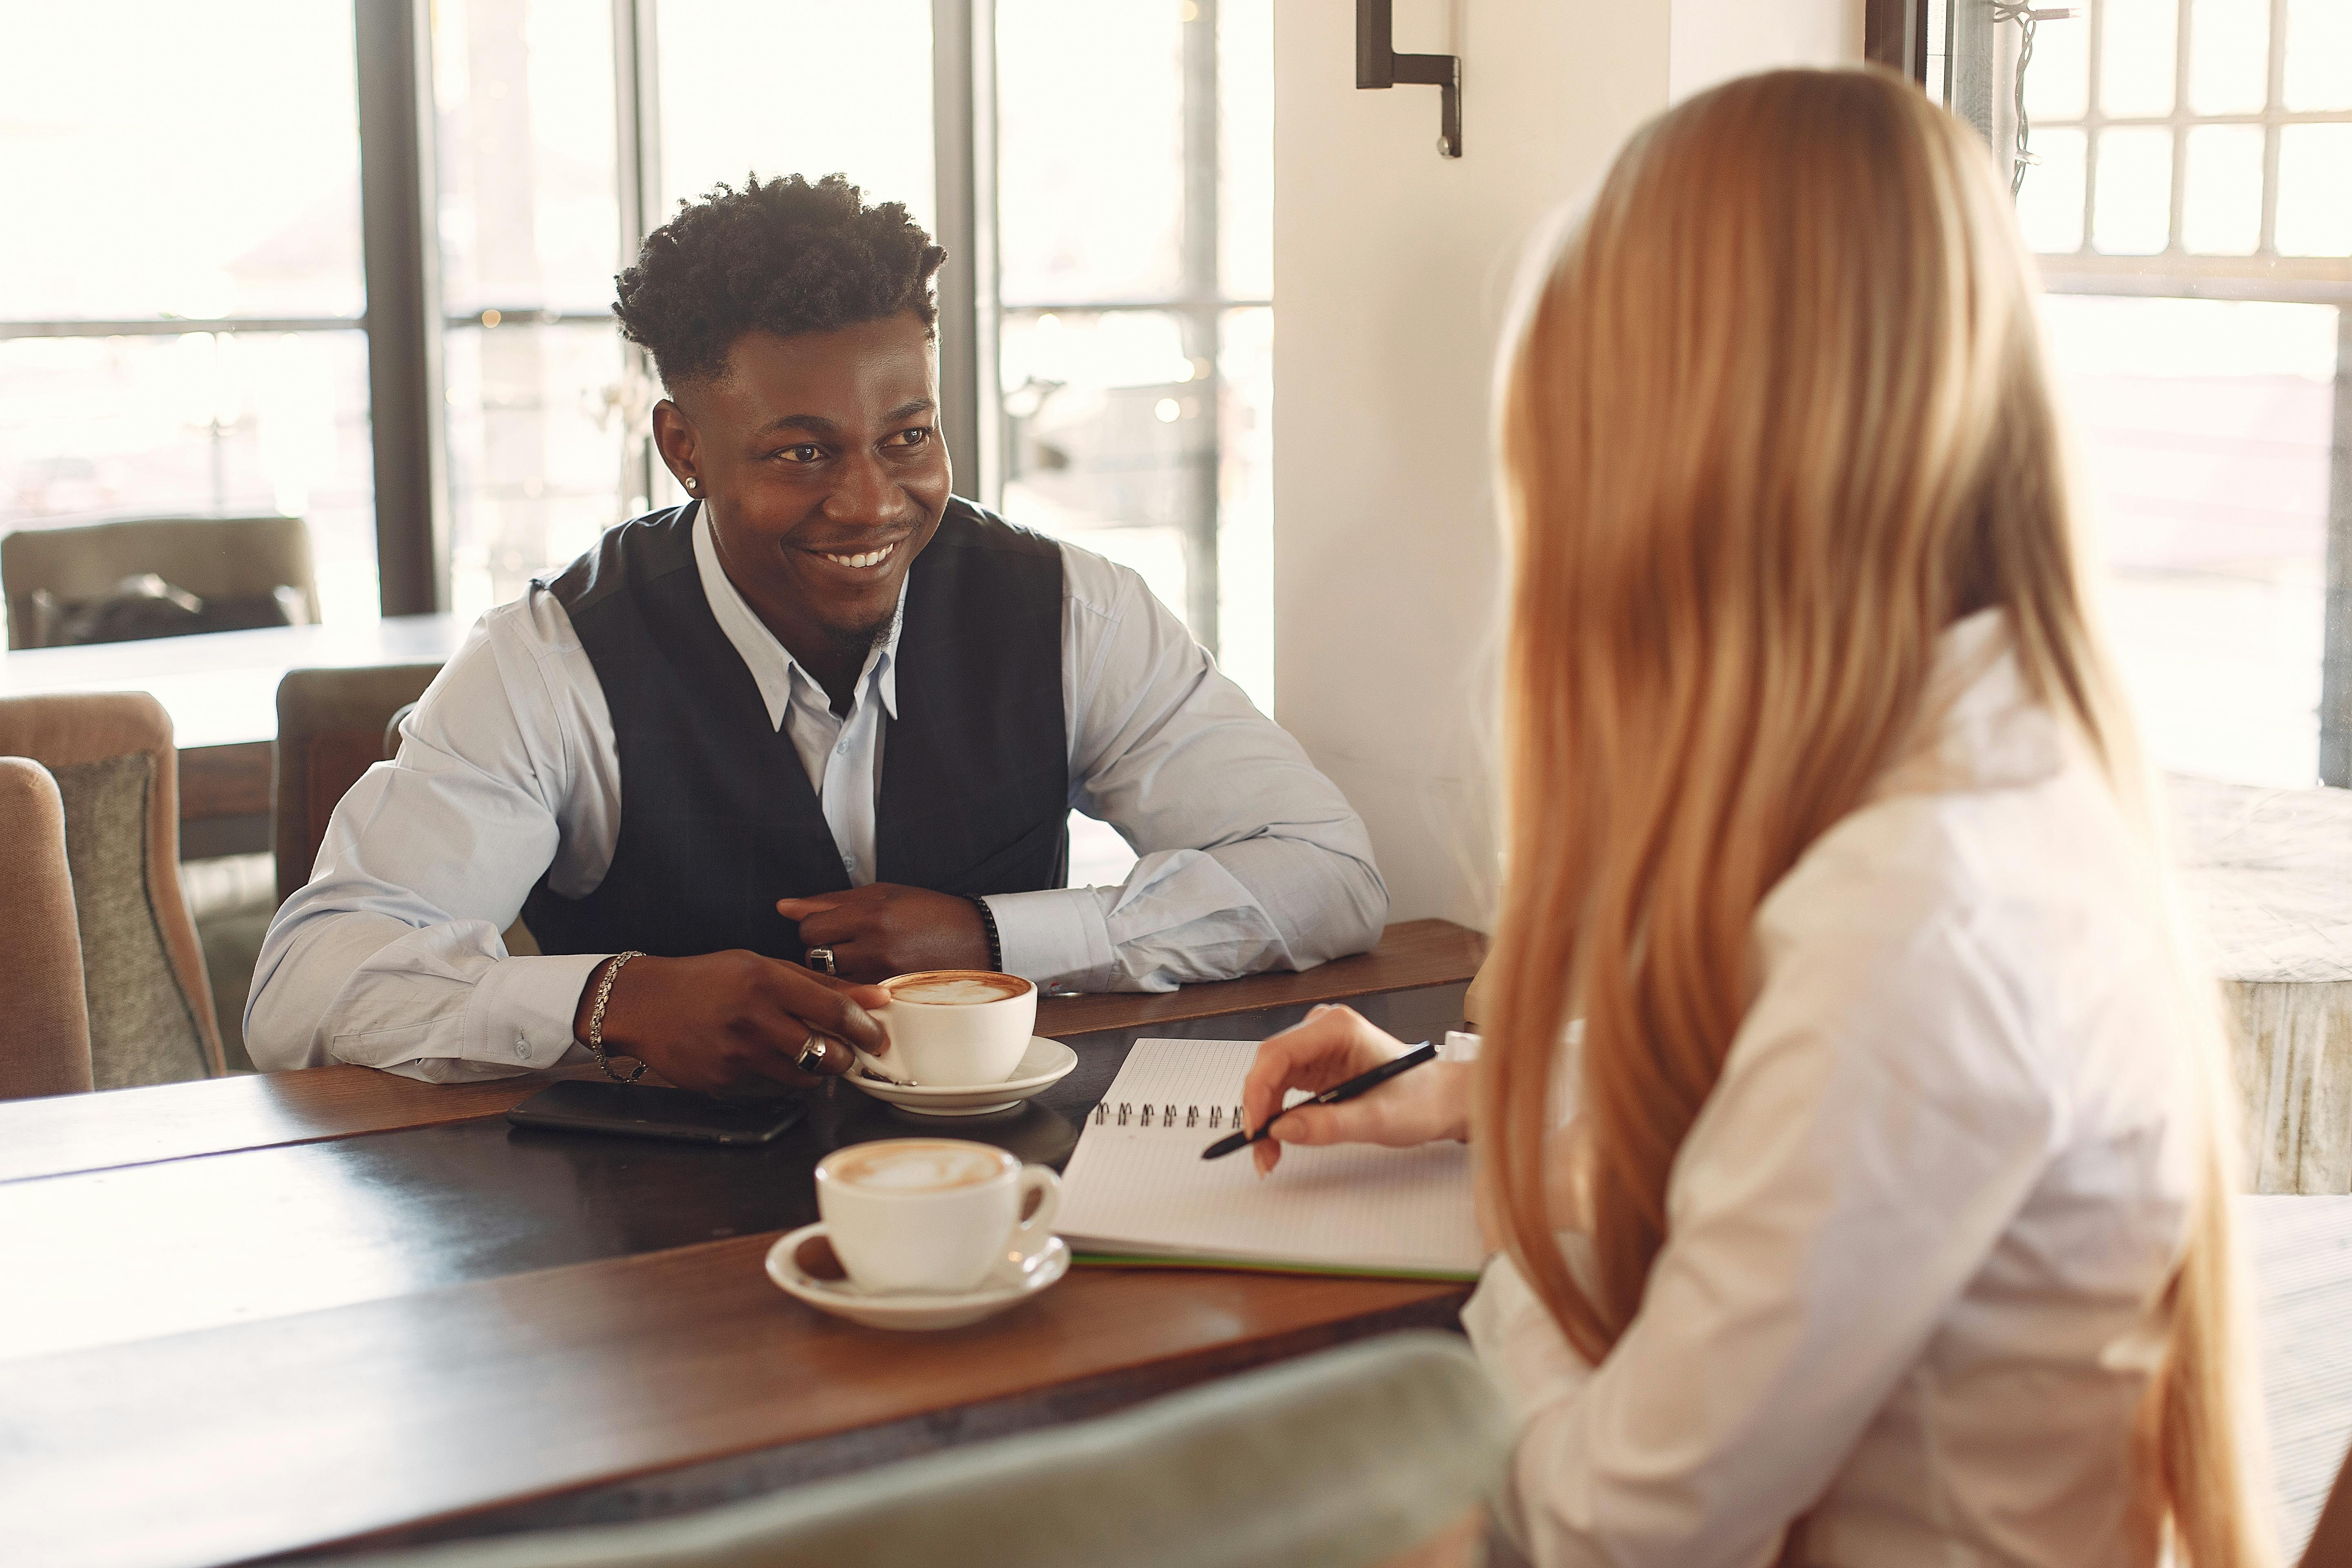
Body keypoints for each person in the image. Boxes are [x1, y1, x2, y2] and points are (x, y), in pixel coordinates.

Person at [1242, 69, 2271, 1568]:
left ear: (1693, 479)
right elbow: (1806, 1116)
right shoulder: (1999, 790)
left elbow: (1603, 1529)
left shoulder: (1921, 918)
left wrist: (1535, 1210)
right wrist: (1493, 1091)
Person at [247, 174, 1386, 1089]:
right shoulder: (548, 664)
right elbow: (307, 984)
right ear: (684, 448)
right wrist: (611, 1002)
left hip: (1007, 1200)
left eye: (907, 438)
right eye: (802, 453)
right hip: (655, 1249)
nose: (869, 502)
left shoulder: (1071, 613)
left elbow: (1326, 874)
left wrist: (997, 941)